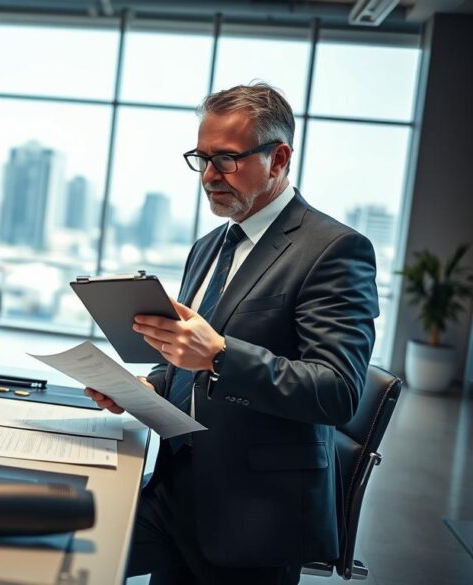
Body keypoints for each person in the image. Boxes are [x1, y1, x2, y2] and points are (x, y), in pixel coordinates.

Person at [85, 83, 379, 584]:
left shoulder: (334, 250)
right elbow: (186, 357)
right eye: (201, 158)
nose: (209, 176)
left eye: (226, 159)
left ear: (279, 158)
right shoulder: (208, 246)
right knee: (70, 555)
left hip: (258, 513)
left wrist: (221, 355)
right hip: (177, 486)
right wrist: (147, 387)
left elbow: (337, 391)